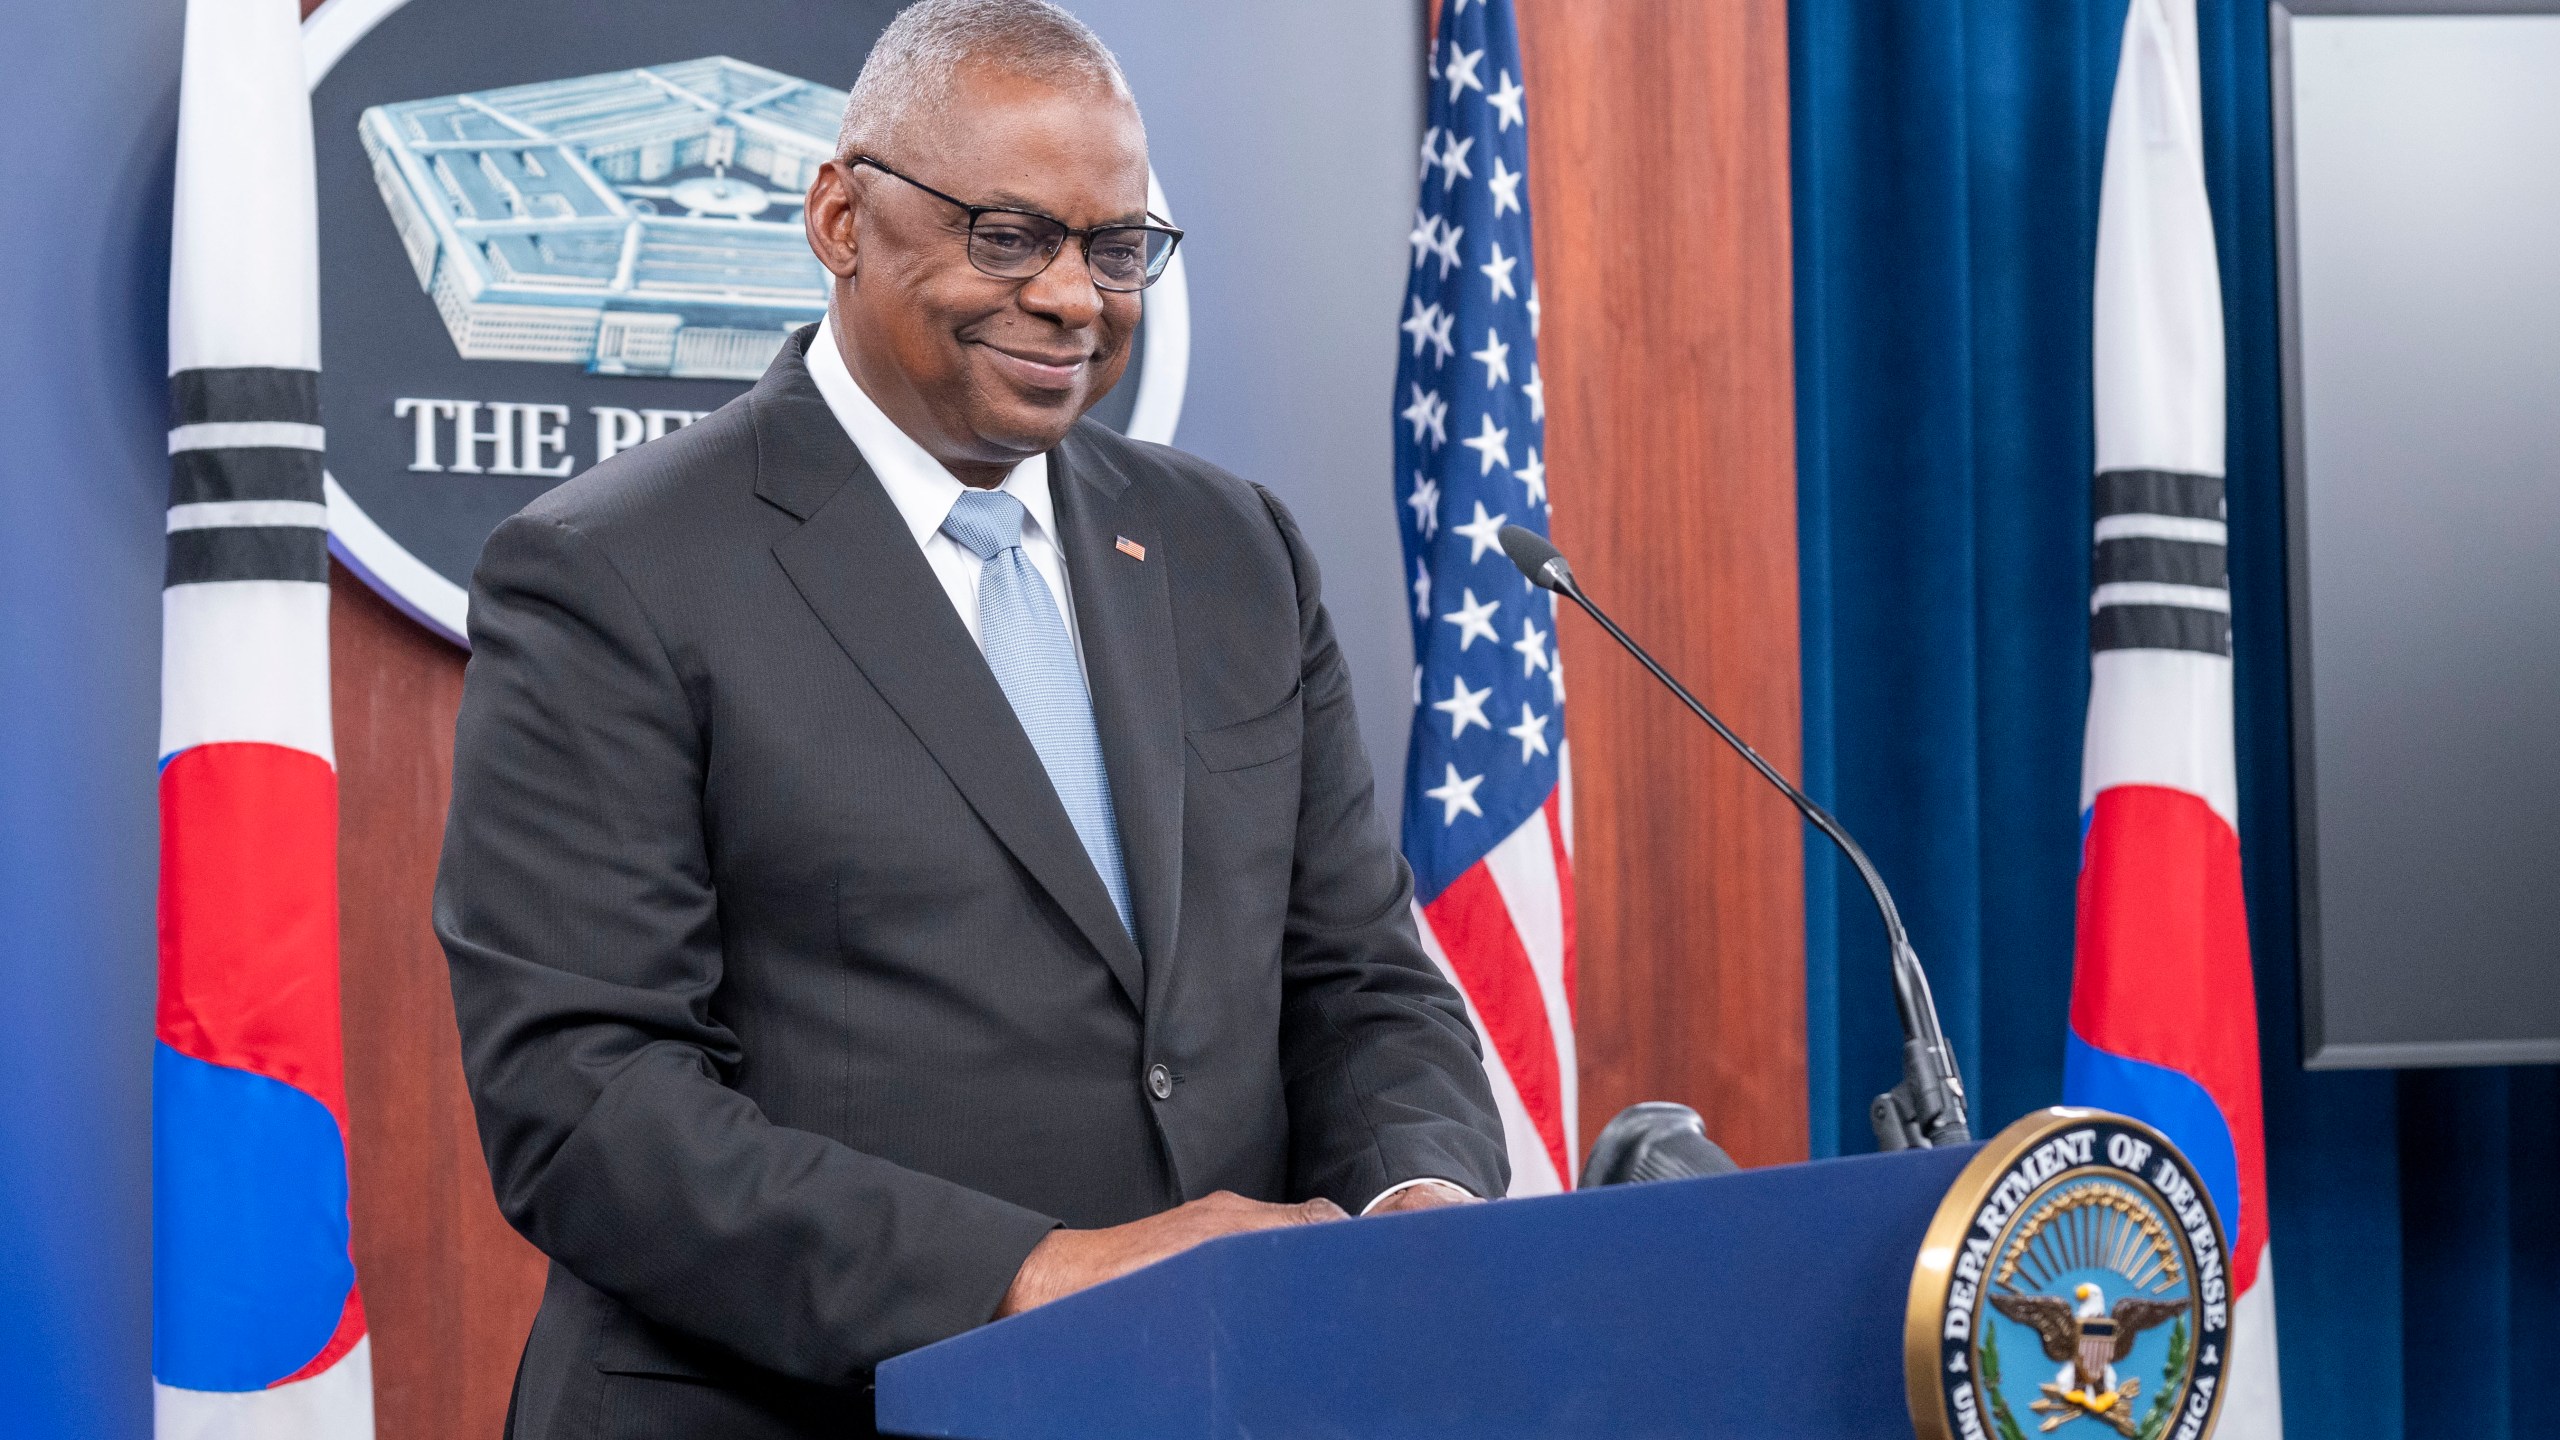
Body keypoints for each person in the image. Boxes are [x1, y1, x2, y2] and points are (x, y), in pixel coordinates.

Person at [433, 2, 1508, 1435]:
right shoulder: (610, 571)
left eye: (1116, 246)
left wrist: (1417, 1198)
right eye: (1009, 234)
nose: (1075, 295)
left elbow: (1362, 978)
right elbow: (589, 1104)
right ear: (838, 217)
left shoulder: (1232, 550)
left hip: (1214, 1397)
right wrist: (1041, 1272)